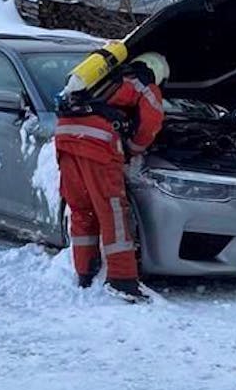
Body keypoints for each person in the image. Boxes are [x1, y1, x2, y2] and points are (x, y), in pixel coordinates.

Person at [55, 52, 169, 303]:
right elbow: (151, 122)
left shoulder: (105, 78)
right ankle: (121, 280)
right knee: (113, 211)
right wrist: (133, 148)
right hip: (98, 144)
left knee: (82, 209)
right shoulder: (144, 84)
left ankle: (84, 272)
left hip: (66, 138)